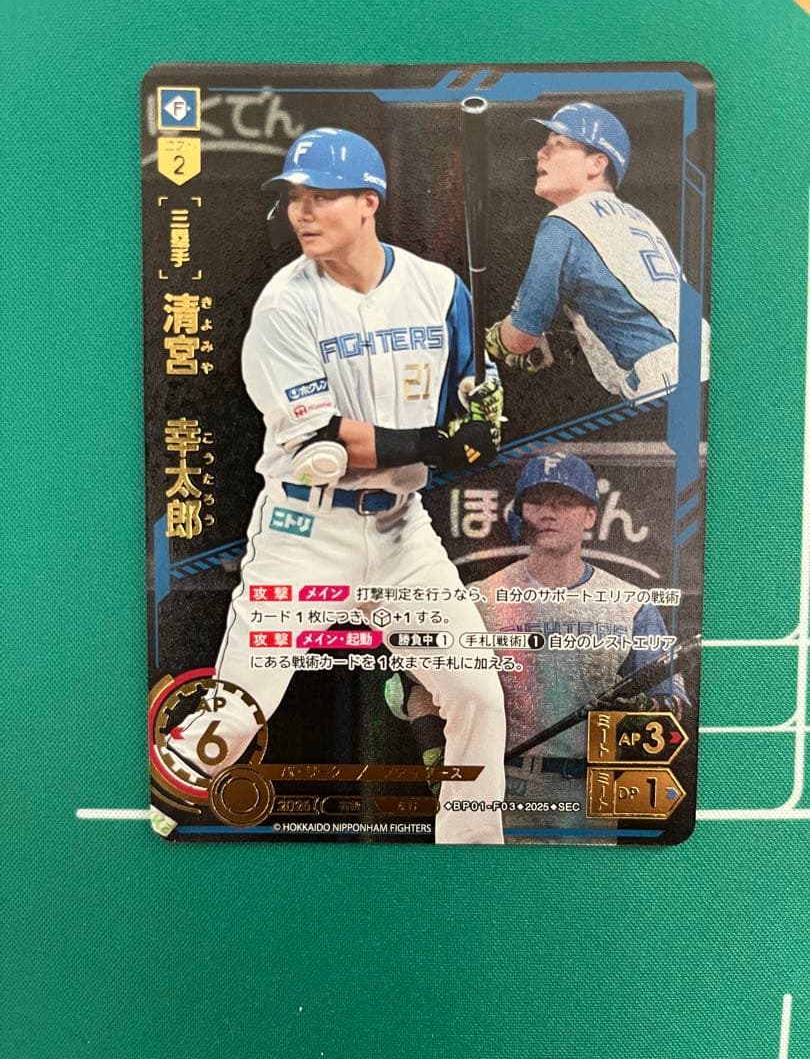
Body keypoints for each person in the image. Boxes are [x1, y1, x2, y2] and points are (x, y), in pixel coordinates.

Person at [166, 127, 507, 844]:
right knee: (238, 712)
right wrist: (442, 442)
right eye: (295, 196)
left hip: (402, 533)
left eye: (321, 195)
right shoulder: (285, 305)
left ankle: (474, 858)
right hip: (305, 533)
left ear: (368, 202)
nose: (303, 211)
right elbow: (328, 439)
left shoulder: (439, 290)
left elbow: (467, 390)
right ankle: (151, 818)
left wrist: (483, 410)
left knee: (477, 692)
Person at [392, 452, 687, 839]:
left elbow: (672, 702)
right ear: (520, 513)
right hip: (497, 789)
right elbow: (414, 684)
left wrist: (643, 713)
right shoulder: (477, 599)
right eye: (537, 502)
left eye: (565, 502)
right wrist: (437, 758)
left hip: (589, 794)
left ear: (590, 515)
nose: (549, 513)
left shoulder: (631, 604)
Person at [486, 101, 708, 401]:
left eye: (558, 144)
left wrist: (494, 339)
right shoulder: (636, 218)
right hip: (707, 362)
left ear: (597, 164)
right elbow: (623, 304)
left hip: (665, 379)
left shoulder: (564, 223)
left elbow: (518, 339)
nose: (541, 152)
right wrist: (557, 338)